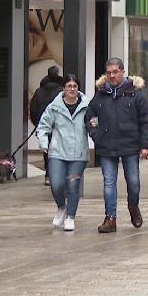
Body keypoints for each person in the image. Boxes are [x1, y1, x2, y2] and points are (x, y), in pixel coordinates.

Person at [87, 58, 148, 234]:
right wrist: (96, 135)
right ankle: (110, 218)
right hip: (107, 146)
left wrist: (146, 145)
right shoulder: (101, 93)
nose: (112, 75)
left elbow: (146, 120)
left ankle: (133, 206)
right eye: (109, 72)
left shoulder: (136, 93)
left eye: (115, 72)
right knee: (109, 182)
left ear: (123, 71)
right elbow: (90, 117)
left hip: (130, 145)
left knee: (133, 182)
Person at [35, 74, 89, 232]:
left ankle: (70, 216)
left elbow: (94, 125)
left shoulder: (87, 106)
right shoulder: (54, 107)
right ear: (64, 88)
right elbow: (43, 126)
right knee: (56, 184)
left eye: (75, 86)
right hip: (57, 152)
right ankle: (61, 207)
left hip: (78, 154)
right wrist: (43, 143)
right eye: (69, 86)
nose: (72, 89)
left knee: (73, 184)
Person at [30, 66, 66, 186]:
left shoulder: (39, 91)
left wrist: (37, 123)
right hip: (58, 125)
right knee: (58, 149)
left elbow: (33, 108)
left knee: (47, 149)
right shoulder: (61, 91)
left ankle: (48, 175)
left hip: (43, 125)